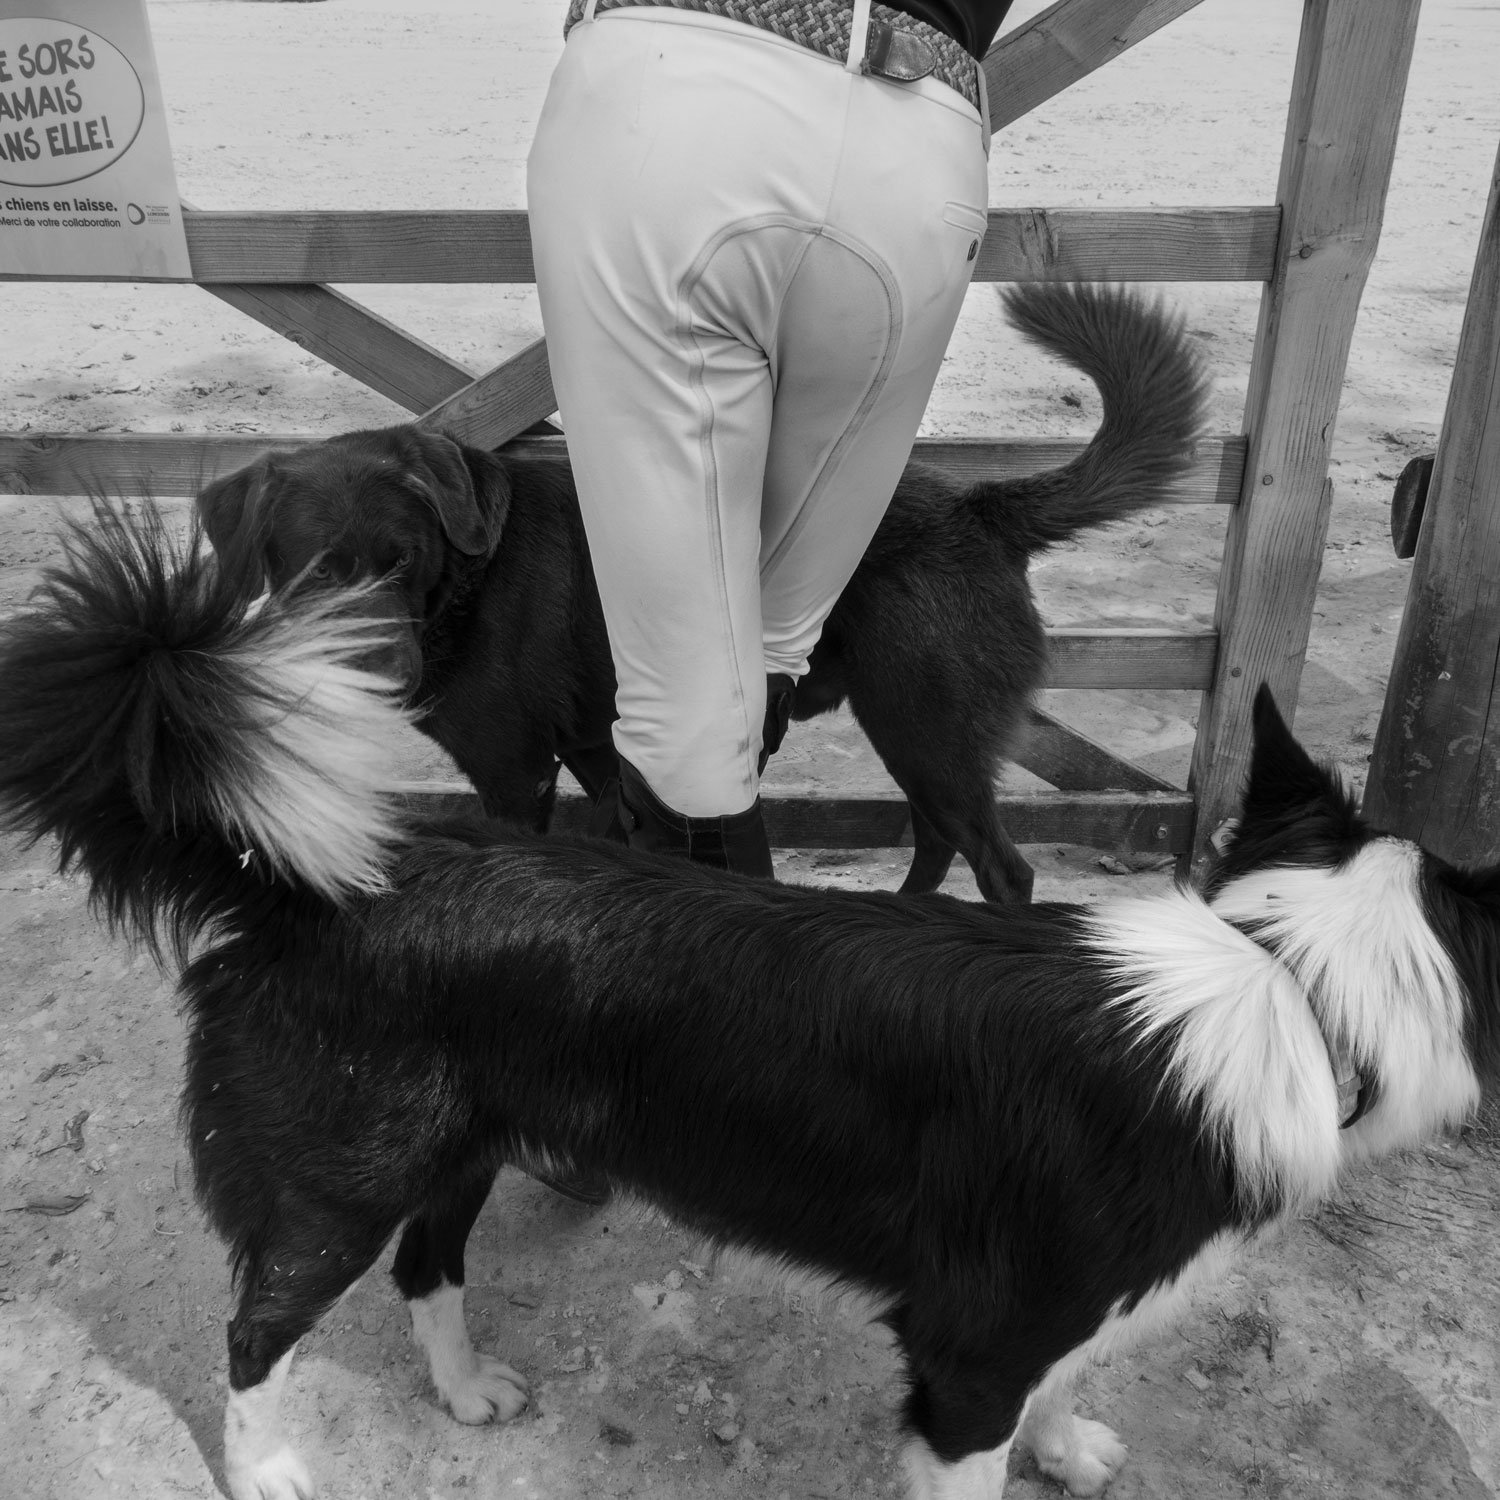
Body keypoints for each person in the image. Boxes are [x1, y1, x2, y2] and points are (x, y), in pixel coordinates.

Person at [527, 0, 1014, 878]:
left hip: (676, 97)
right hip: (921, 137)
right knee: (765, 649)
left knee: (688, 714)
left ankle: (707, 965)